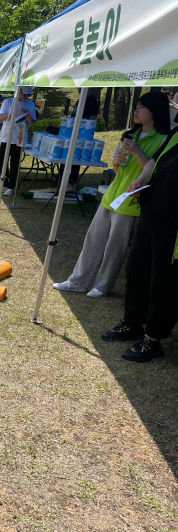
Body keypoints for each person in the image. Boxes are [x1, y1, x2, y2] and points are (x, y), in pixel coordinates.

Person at [54, 92, 170, 298]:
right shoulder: (129, 135)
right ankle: (77, 281)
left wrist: (137, 152)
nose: (136, 111)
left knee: (115, 247)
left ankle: (102, 285)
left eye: (141, 107)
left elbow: (155, 171)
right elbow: (117, 170)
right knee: (93, 238)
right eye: (136, 107)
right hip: (111, 196)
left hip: (130, 201)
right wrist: (116, 161)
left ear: (155, 111)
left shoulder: (163, 140)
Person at [101, 114, 178, 363]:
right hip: (151, 212)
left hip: (173, 226)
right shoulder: (175, 134)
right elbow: (153, 162)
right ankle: (132, 323)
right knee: (136, 271)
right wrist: (140, 181)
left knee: (162, 281)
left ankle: (152, 339)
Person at [0, 86, 37, 197]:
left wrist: (27, 115)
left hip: (20, 135)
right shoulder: (8, 102)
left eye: (28, 95)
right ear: (18, 91)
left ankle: (11, 187)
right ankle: (4, 184)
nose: (26, 97)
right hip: (6, 135)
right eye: (24, 94)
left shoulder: (30, 104)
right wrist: (15, 113)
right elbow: (1, 117)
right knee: (3, 161)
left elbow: (31, 123)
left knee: (15, 163)